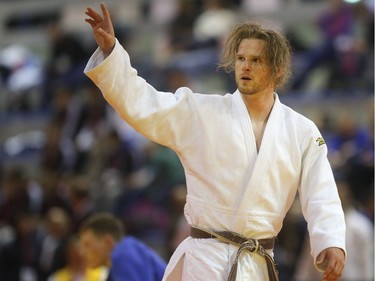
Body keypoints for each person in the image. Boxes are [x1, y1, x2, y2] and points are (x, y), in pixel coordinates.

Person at [83, 3, 346, 281]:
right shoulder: (202, 112)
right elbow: (144, 104)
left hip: (257, 264)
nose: (245, 66)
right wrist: (113, 55)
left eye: (256, 60)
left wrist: (330, 241)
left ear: (277, 70)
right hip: (205, 261)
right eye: (241, 58)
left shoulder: (301, 131)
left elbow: (322, 193)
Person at [78, 212, 167, 281]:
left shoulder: (122, 253)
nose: (82, 252)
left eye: (87, 244)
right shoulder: (119, 262)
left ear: (107, 242)